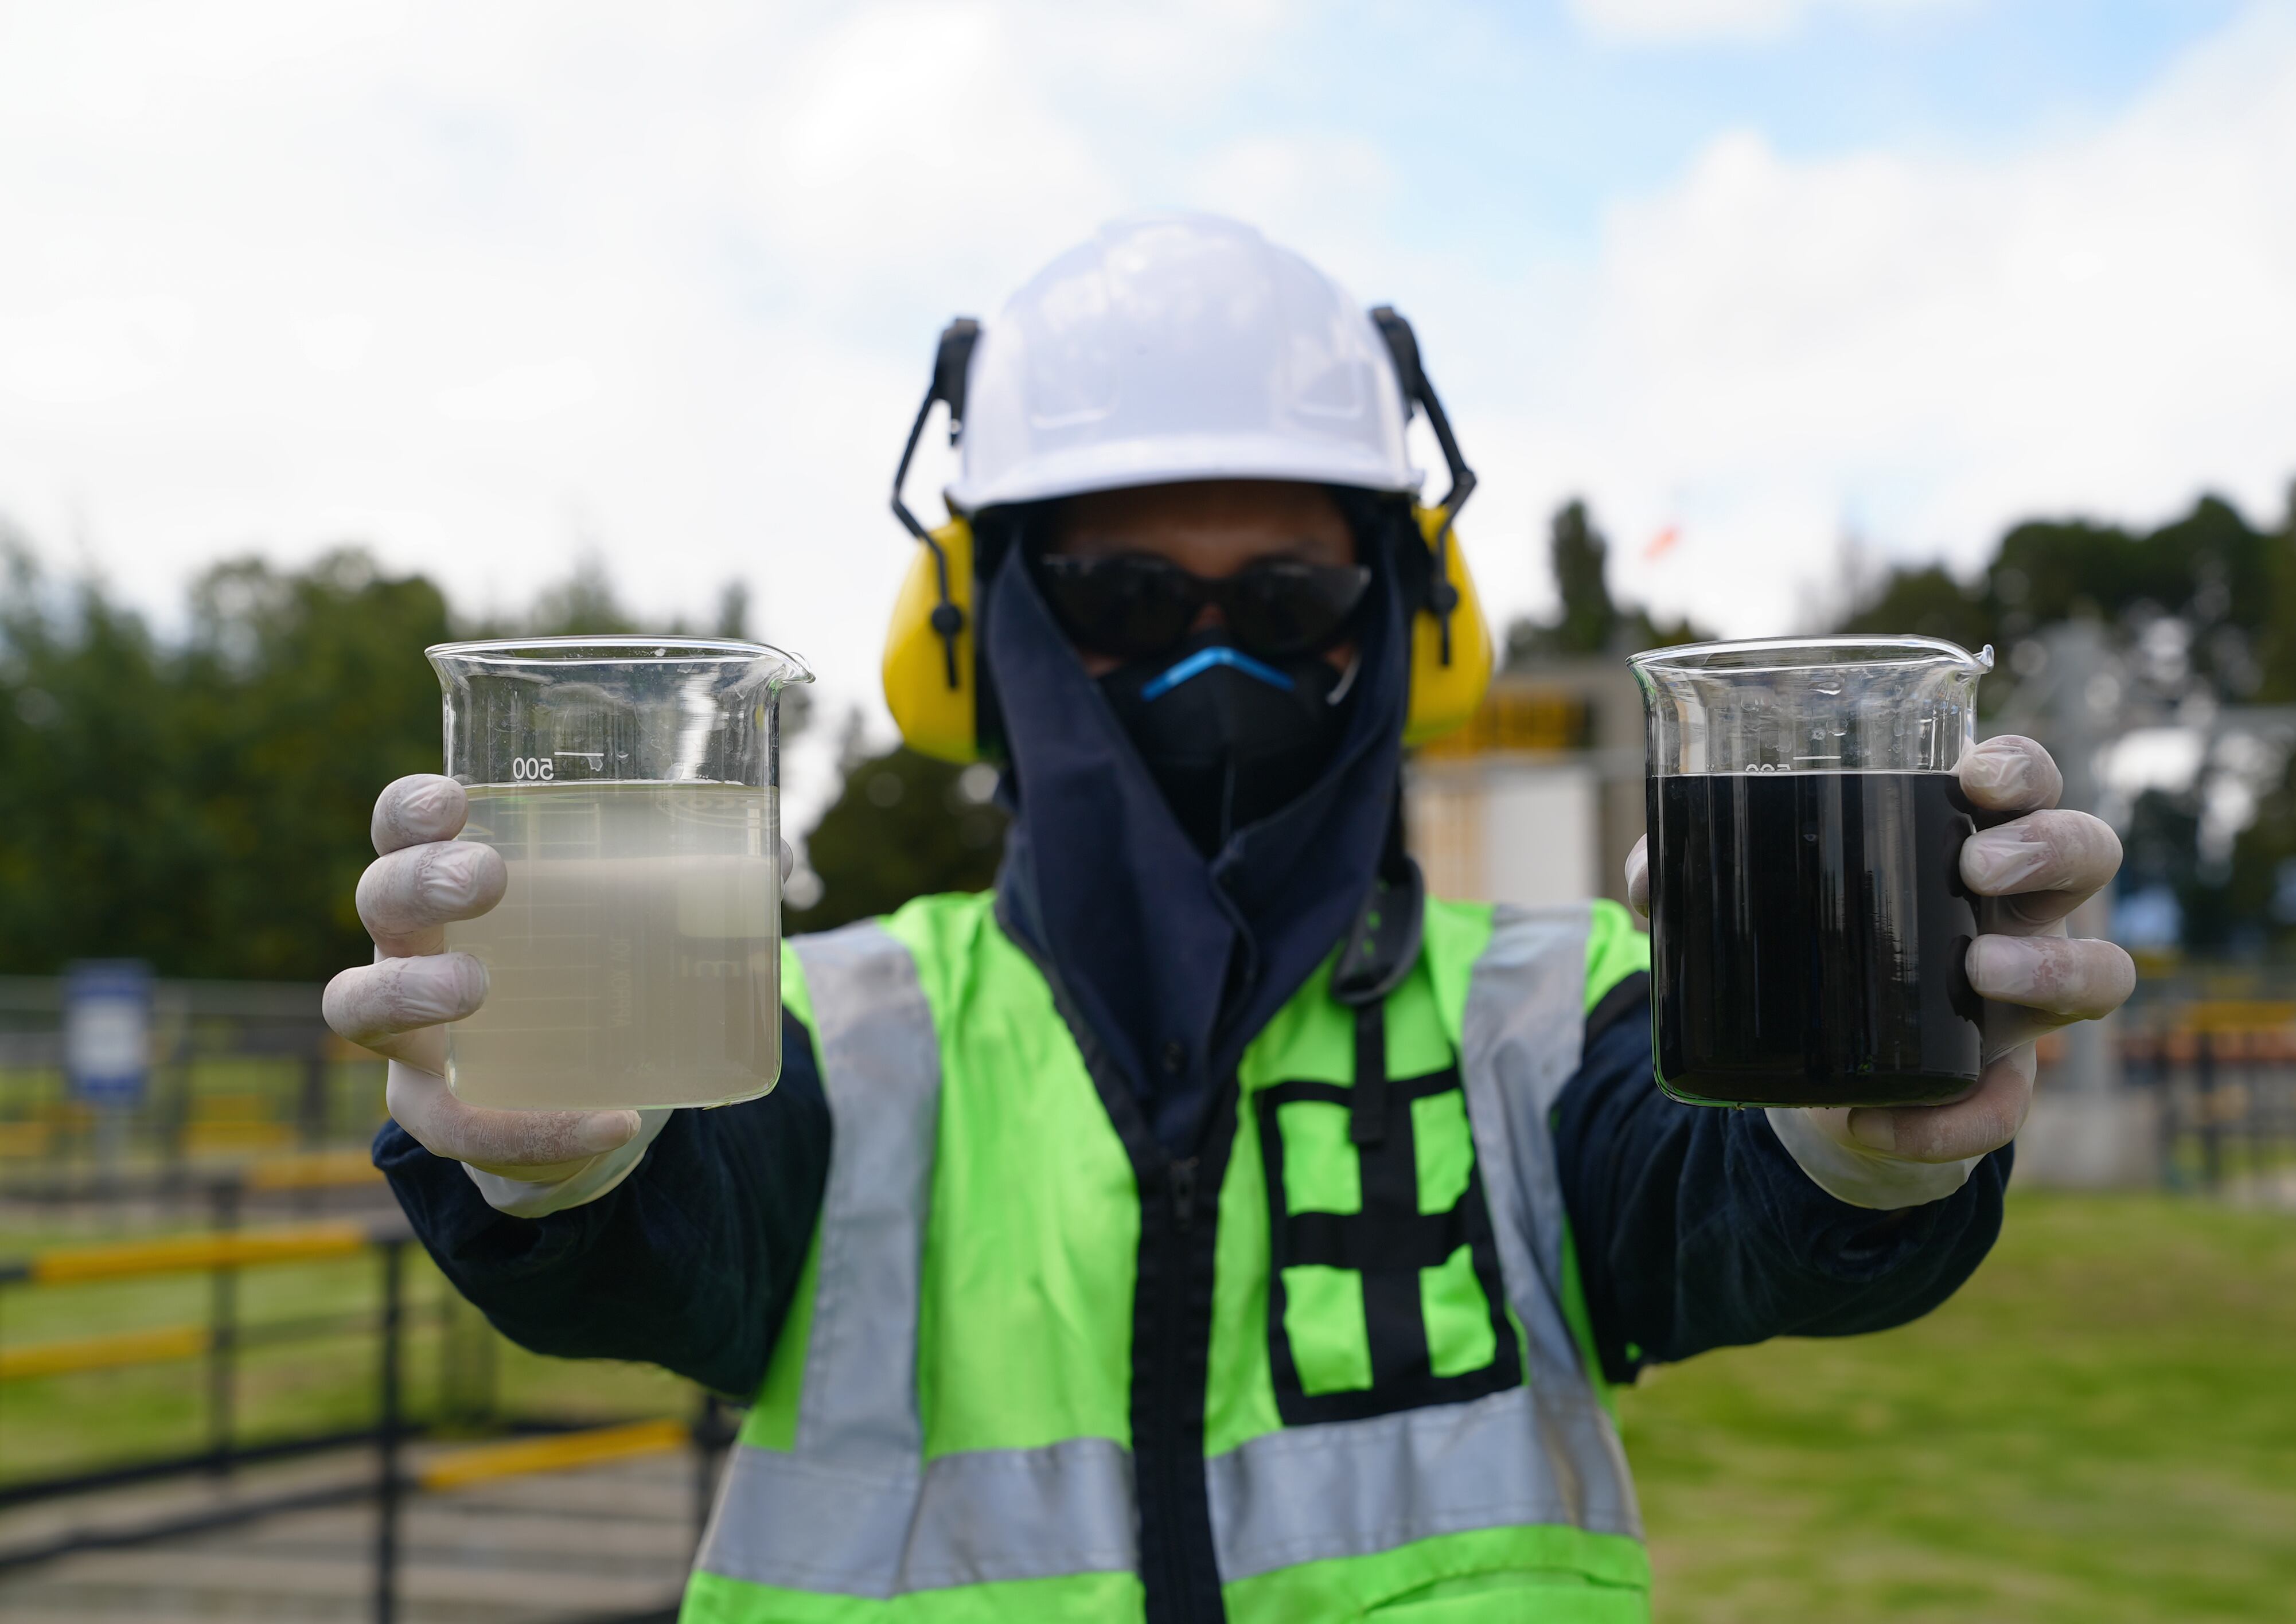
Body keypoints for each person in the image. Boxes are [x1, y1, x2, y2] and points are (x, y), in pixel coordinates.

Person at [326, 214, 2134, 1624]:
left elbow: (1727, 1205)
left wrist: (1866, 1154)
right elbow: (668, 1236)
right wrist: (549, 1173)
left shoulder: (1557, 1006)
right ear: (985, 633)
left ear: (1402, 621)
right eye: (1119, 592)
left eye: (1286, 596)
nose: (1206, 664)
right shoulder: (822, 1025)